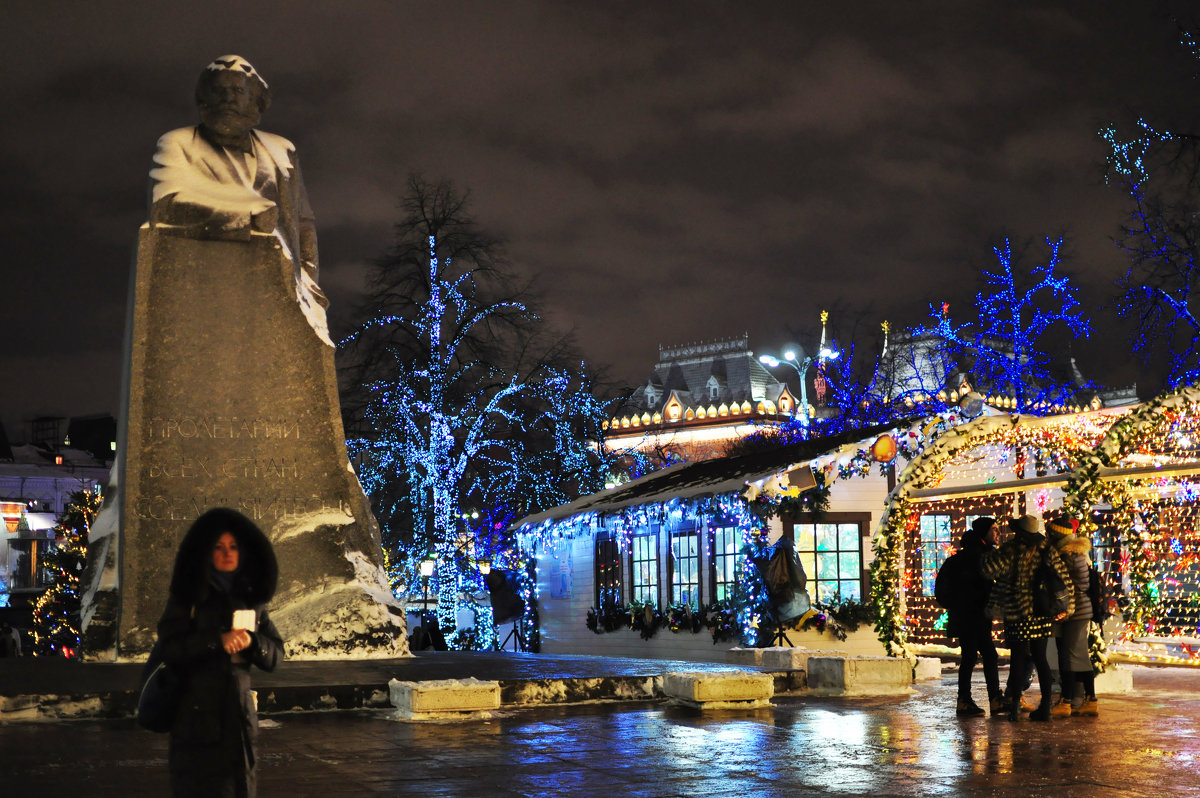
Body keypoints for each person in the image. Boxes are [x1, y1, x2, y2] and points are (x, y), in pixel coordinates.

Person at [149, 55, 328, 338]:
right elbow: (166, 204)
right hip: (210, 292)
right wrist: (244, 217)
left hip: (285, 291)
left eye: (238, 91)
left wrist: (307, 279)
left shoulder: (282, 151)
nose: (228, 98)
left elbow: (304, 223)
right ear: (205, 97)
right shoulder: (178, 143)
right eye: (219, 90)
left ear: (254, 99)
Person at [157, 507, 283, 797]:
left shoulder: (251, 601)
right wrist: (216, 641)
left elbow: (276, 653)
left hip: (238, 722)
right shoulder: (188, 599)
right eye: (219, 547)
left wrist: (252, 644)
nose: (227, 553)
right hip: (196, 720)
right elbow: (170, 648)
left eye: (233, 547)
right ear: (206, 552)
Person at [981, 513, 1073, 721]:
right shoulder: (1046, 549)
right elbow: (1063, 578)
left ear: (1019, 531)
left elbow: (989, 570)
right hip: (1041, 612)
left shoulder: (1010, 550)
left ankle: (1014, 704)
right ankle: (1046, 706)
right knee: (1040, 658)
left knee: (1018, 657)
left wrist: (989, 554)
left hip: (1016, 612)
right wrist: (1067, 607)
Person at [934, 517, 1002, 716]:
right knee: (986, 655)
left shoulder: (959, 558)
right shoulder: (982, 557)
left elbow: (942, 591)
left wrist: (956, 607)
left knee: (971, 656)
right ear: (984, 533)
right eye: (994, 530)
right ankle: (991, 699)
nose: (998, 533)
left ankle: (966, 700)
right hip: (974, 616)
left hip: (965, 616)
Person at [1046, 516, 1098, 717]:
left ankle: (1070, 701)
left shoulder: (1069, 555)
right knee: (1075, 656)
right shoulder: (1074, 553)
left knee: (1073, 657)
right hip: (1077, 610)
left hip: (1076, 611)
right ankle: (1087, 700)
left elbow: (1070, 585)